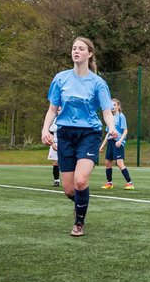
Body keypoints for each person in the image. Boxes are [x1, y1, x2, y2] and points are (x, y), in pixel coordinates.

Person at [41, 37, 118, 237]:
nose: (76, 51)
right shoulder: (60, 78)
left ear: (89, 54)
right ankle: (80, 202)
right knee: (69, 190)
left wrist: (111, 128)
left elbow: (107, 111)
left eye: (81, 48)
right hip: (65, 134)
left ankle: (79, 223)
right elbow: (51, 109)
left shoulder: (98, 83)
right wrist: (45, 130)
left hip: (89, 134)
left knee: (81, 181)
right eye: (74, 48)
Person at [100, 98, 134, 190]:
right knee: (107, 163)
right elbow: (108, 133)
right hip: (110, 142)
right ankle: (109, 183)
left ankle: (130, 183)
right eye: (111, 105)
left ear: (118, 106)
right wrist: (102, 146)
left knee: (119, 163)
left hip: (118, 143)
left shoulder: (121, 116)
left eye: (114, 105)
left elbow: (125, 130)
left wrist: (120, 141)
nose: (112, 107)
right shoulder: (109, 117)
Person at [47, 121, 60, 186]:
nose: (59, 111)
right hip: (55, 143)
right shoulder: (53, 120)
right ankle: (56, 180)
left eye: (60, 109)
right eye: (58, 109)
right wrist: (52, 144)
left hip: (65, 143)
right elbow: (51, 133)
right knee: (56, 162)